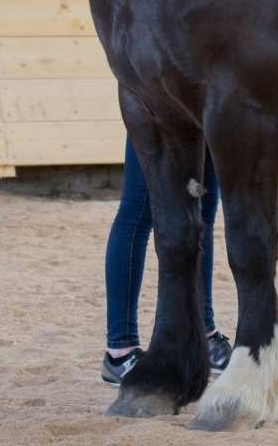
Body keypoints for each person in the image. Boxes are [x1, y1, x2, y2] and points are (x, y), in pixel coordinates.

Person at [101, 139, 233, 385]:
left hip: (204, 109)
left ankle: (205, 331)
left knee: (203, 213)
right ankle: (120, 350)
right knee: (137, 211)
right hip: (155, 107)